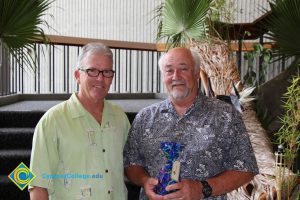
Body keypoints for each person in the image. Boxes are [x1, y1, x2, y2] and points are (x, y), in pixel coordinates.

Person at [123, 47, 259, 200]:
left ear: (196, 74)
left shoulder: (225, 115)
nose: (176, 76)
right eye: (169, 71)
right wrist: (144, 180)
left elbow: (246, 168)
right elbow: (130, 163)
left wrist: (202, 188)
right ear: (163, 77)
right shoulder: (145, 117)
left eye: (183, 69)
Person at [29, 43, 130, 200]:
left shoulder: (119, 117)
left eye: (107, 72)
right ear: (77, 75)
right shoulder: (52, 121)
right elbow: (37, 185)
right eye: (92, 71)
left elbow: (130, 165)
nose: (100, 78)